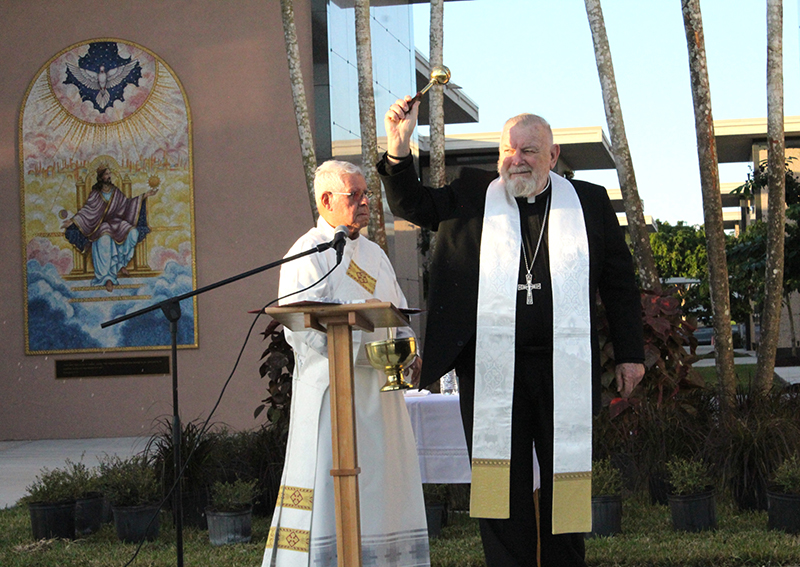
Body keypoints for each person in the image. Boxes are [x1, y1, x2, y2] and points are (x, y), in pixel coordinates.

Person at [378, 98, 645, 567]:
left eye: (529, 151)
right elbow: (413, 204)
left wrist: (630, 353)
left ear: (553, 156)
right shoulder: (472, 194)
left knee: (566, 486)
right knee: (499, 492)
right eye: (509, 149)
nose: (516, 159)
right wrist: (399, 150)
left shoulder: (588, 202)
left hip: (564, 368)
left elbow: (620, 283)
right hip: (490, 370)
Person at [261, 160, 430, 567]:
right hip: (331, 395)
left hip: (381, 398)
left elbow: (398, 313)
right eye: (355, 195)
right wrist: (363, 353)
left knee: (383, 486)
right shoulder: (306, 254)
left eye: (366, 194)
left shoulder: (374, 254)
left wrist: (407, 351)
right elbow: (300, 330)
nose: (365, 202)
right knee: (327, 486)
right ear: (326, 200)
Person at [62, 166, 157, 292]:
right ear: (101, 177)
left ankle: (120, 263)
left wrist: (145, 195)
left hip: (117, 223)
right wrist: (73, 221)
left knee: (133, 233)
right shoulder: (95, 194)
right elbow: (86, 211)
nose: (109, 176)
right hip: (101, 225)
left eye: (109, 174)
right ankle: (107, 277)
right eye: (106, 174)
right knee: (104, 240)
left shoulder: (116, 191)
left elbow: (127, 204)